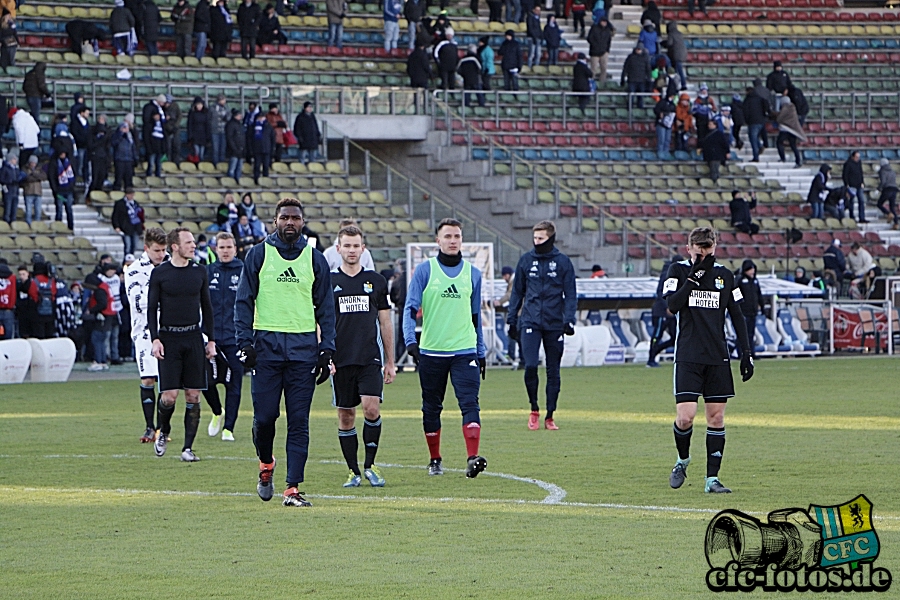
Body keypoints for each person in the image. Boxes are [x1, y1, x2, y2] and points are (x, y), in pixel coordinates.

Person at [234, 197, 336, 508]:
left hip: (303, 351)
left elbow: (327, 309)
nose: (289, 222)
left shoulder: (315, 259)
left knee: (299, 421)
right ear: (275, 221)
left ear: (302, 222)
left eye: (295, 218)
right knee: (264, 419)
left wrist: (326, 349)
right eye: (284, 218)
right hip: (266, 350)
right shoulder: (258, 255)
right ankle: (266, 465)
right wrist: (244, 343)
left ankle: (292, 487)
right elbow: (243, 301)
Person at [662, 227, 754, 494]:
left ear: (715, 249)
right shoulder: (677, 271)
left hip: (717, 356)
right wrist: (692, 279)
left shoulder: (725, 276)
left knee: (716, 418)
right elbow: (673, 305)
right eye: (699, 253)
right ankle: (683, 460)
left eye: (709, 253)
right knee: (686, 418)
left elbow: (737, 315)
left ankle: (711, 480)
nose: (704, 258)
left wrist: (746, 353)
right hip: (689, 355)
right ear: (689, 248)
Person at [404, 218, 487, 477]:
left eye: (457, 236)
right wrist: (411, 342)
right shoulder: (425, 271)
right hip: (432, 352)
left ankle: (473, 457)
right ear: (438, 241)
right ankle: (435, 458)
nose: (453, 241)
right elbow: (409, 308)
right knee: (431, 407)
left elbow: (476, 317)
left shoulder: (473, 274)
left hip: (465, 351)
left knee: (470, 403)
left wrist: (481, 351)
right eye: (448, 236)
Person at [330, 225, 396, 488]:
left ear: (363, 248)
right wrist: (324, 355)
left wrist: (390, 361)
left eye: (356, 245)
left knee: (371, 408)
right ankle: (352, 470)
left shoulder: (376, 281)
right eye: (347, 245)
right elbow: (321, 322)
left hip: (369, 357)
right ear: (338, 249)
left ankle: (370, 466)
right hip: (341, 359)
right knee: (346, 416)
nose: (352, 250)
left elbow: (385, 322)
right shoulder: (329, 281)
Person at [148, 227, 217, 463]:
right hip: (169, 339)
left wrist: (211, 340)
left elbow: (207, 308)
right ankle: (163, 430)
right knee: (169, 396)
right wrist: (155, 339)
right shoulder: (160, 273)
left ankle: (188, 448)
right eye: (188, 242)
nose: (193, 245)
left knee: (193, 394)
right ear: (175, 246)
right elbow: (151, 309)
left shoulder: (200, 272)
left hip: (194, 338)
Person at [506, 220, 576, 430]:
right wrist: (511, 318)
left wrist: (569, 318)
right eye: (535, 238)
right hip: (530, 320)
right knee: (530, 365)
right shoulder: (526, 261)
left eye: (541, 239)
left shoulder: (563, 262)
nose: (537, 242)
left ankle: (550, 415)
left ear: (551, 238)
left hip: (555, 322)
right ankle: (534, 409)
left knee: (553, 370)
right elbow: (517, 291)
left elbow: (571, 294)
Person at [125, 227, 168, 443]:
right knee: (148, 378)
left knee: (167, 382)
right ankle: (150, 427)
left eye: (163, 250)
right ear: (146, 248)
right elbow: (138, 301)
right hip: (145, 332)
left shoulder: (172, 264)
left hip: (170, 329)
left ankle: (162, 428)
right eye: (157, 250)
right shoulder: (134, 270)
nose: (161, 255)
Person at [202, 231, 244, 441]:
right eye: (222, 247)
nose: (226, 251)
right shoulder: (207, 272)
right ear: (215, 249)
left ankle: (229, 428)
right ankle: (217, 411)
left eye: (229, 247)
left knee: (234, 383)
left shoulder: (245, 271)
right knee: (206, 382)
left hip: (235, 338)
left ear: (235, 249)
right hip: (210, 338)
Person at [647, 255, 680, 367]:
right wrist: (667, 306)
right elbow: (661, 292)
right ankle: (651, 358)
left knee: (675, 337)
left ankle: (655, 352)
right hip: (661, 311)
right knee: (657, 335)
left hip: (671, 312)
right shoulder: (667, 274)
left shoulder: (676, 275)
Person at [84, 268, 117, 371]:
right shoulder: (105, 287)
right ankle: (102, 361)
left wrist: (91, 310)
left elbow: (102, 304)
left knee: (97, 339)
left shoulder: (99, 290)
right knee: (101, 340)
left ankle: (98, 361)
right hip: (109, 316)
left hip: (103, 317)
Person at [735, 259, 764, 347]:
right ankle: (741, 352)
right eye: (750, 269)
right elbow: (736, 295)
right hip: (743, 312)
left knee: (751, 333)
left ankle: (751, 352)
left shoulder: (755, 281)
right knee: (743, 333)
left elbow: (759, 295)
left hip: (753, 312)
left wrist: (762, 307)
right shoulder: (740, 281)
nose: (753, 271)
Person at [775, 96, 804, 168]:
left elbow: (779, 118)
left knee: (779, 143)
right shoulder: (793, 108)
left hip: (785, 129)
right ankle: (798, 161)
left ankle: (782, 158)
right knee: (793, 145)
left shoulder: (785, 108)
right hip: (793, 130)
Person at [743, 85, 769, 163]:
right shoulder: (760, 98)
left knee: (753, 139)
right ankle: (760, 146)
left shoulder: (747, 100)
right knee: (754, 137)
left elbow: (745, 111)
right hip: (761, 121)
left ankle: (756, 156)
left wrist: (746, 121)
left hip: (752, 121)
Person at [621, 44, 651, 109]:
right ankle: (630, 111)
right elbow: (625, 68)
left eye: (639, 49)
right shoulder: (631, 57)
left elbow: (648, 70)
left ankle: (640, 110)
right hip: (632, 80)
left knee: (640, 98)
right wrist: (622, 78)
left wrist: (649, 79)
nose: (638, 50)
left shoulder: (645, 58)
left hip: (641, 81)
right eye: (637, 49)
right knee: (631, 98)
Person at [586, 15, 613, 87]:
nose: (604, 23)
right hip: (594, 52)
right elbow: (589, 38)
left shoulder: (607, 30)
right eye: (603, 21)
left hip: (604, 52)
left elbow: (609, 41)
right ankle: (591, 84)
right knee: (593, 69)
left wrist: (607, 50)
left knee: (604, 69)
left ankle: (602, 84)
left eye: (605, 22)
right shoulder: (594, 28)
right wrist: (595, 46)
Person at [0, 149, 24, 225]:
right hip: (8, 191)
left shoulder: (16, 169)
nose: (15, 160)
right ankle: (6, 224)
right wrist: (11, 181)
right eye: (14, 159)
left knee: (14, 210)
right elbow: (2, 179)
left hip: (15, 191)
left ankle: (13, 223)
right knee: (7, 209)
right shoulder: (4, 169)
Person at [249, 112, 274, 184]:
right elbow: (250, 138)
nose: (261, 118)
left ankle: (265, 180)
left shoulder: (269, 126)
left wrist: (272, 149)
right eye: (260, 117)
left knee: (266, 165)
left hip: (266, 149)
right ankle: (256, 180)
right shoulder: (253, 126)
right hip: (257, 149)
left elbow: (272, 138)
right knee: (257, 165)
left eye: (263, 117)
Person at [842, 151, 867, 223]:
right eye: (856, 157)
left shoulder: (859, 163)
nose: (857, 159)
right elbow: (845, 175)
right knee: (851, 201)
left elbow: (860, 172)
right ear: (852, 157)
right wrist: (846, 184)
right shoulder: (848, 164)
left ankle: (862, 217)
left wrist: (862, 182)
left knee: (861, 201)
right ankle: (851, 216)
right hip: (851, 185)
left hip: (859, 184)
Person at [187, 97, 211, 162]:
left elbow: (207, 125)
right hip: (195, 135)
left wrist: (208, 137)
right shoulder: (192, 113)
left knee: (201, 153)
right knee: (196, 152)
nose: (199, 106)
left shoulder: (206, 113)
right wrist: (190, 137)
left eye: (200, 104)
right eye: (198, 104)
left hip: (203, 136)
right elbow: (190, 125)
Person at [877, 158, 898, 229]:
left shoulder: (882, 171)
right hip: (894, 189)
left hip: (887, 189)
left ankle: (888, 213)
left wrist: (878, 189)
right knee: (892, 207)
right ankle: (896, 223)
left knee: (879, 204)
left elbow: (883, 181)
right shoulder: (892, 171)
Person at [665, 20, 687, 91]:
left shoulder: (671, 34)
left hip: (675, 54)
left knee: (678, 70)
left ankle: (682, 84)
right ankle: (677, 84)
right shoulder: (679, 33)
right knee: (678, 70)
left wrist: (663, 43)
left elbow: (669, 43)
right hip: (682, 53)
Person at [225, 109, 245, 183]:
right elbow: (230, 138)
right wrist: (234, 148)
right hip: (234, 150)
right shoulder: (231, 124)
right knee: (232, 168)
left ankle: (237, 181)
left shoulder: (239, 124)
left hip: (240, 149)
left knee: (239, 168)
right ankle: (231, 181)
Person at [653, 92, 676, 156]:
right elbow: (656, 109)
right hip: (661, 124)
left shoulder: (673, 104)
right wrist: (660, 113)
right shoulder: (662, 102)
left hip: (669, 124)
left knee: (667, 140)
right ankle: (660, 154)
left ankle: (666, 154)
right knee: (661, 140)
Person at [210, 95, 229, 166]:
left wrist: (226, 117)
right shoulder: (213, 108)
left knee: (222, 149)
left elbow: (229, 117)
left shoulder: (226, 108)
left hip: (223, 131)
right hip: (215, 131)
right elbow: (210, 118)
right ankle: (216, 164)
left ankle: (222, 164)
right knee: (215, 149)